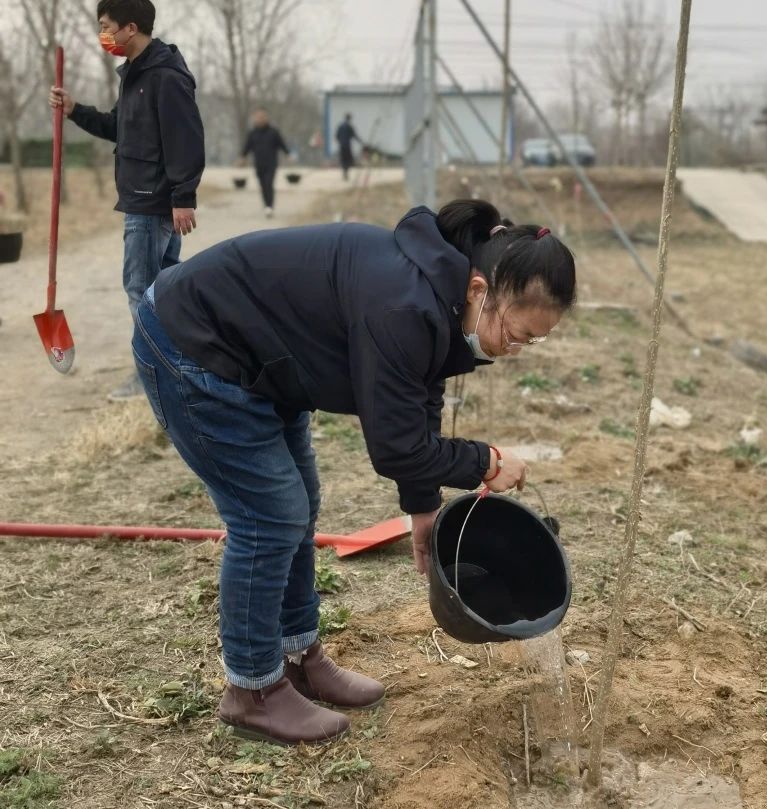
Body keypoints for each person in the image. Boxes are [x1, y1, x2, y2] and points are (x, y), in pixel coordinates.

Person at [131, 199, 575, 745]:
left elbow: (420, 392)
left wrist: (423, 507)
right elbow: (395, 447)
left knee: (300, 503)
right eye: (518, 334)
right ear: (482, 291)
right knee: (270, 517)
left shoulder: (441, 292)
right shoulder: (404, 304)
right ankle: (251, 691)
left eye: (534, 340)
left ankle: (297, 657)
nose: (516, 350)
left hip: (266, 357)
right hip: (195, 345)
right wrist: (485, 461)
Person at [49, 0, 204, 401]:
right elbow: (119, 127)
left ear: (129, 28)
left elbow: (185, 137)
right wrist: (74, 110)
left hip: (151, 204)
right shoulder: (136, 74)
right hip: (143, 199)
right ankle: (178, 368)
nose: (102, 34)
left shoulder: (165, 77)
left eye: (106, 26)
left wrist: (183, 196)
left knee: (142, 291)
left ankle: (150, 376)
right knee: (163, 292)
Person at [240, 108, 290, 218]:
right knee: (262, 186)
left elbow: (282, 144)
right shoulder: (252, 133)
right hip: (258, 164)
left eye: (262, 117)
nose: (260, 119)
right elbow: (247, 147)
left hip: (271, 164)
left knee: (269, 184)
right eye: (258, 117)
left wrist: (288, 154)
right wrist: (243, 157)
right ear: (255, 118)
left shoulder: (273, 132)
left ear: (266, 118)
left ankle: (269, 206)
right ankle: (266, 205)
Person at [335, 113, 362, 181]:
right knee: (348, 159)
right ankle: (346, 172)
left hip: (341, 145)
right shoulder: (349, 127)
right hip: (347, 145)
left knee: (343, 159)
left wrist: (340, 142)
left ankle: (344, 172)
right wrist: (361, 142)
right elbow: (354, 135)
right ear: (349, 119)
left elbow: (337, 136)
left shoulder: (340, 126)